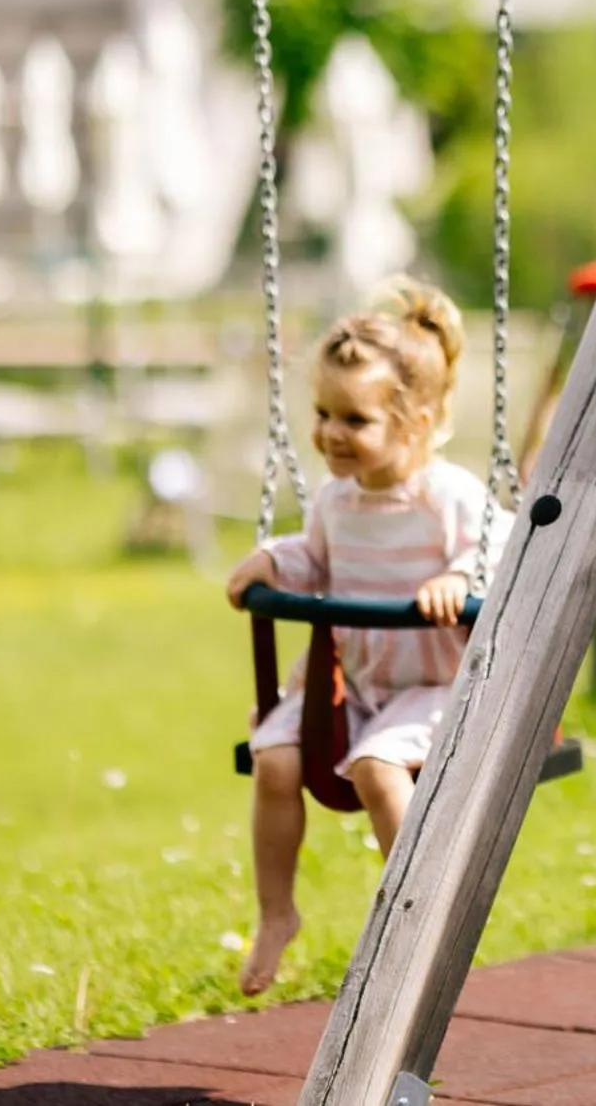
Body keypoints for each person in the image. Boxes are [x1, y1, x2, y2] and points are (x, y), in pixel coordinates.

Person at [223, 277, 505, 996]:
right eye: (322, 413)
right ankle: (277, 912)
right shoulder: (333, 499)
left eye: (354, 419)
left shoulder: (452, 497)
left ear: (414, 422)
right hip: (355, 683)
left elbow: (499, 560)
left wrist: (456, 582)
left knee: (380, 770)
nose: (330, 434)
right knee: (276, 761)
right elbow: (313, 558)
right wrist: (273, 560)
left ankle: (411, 918)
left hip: (434, 688)